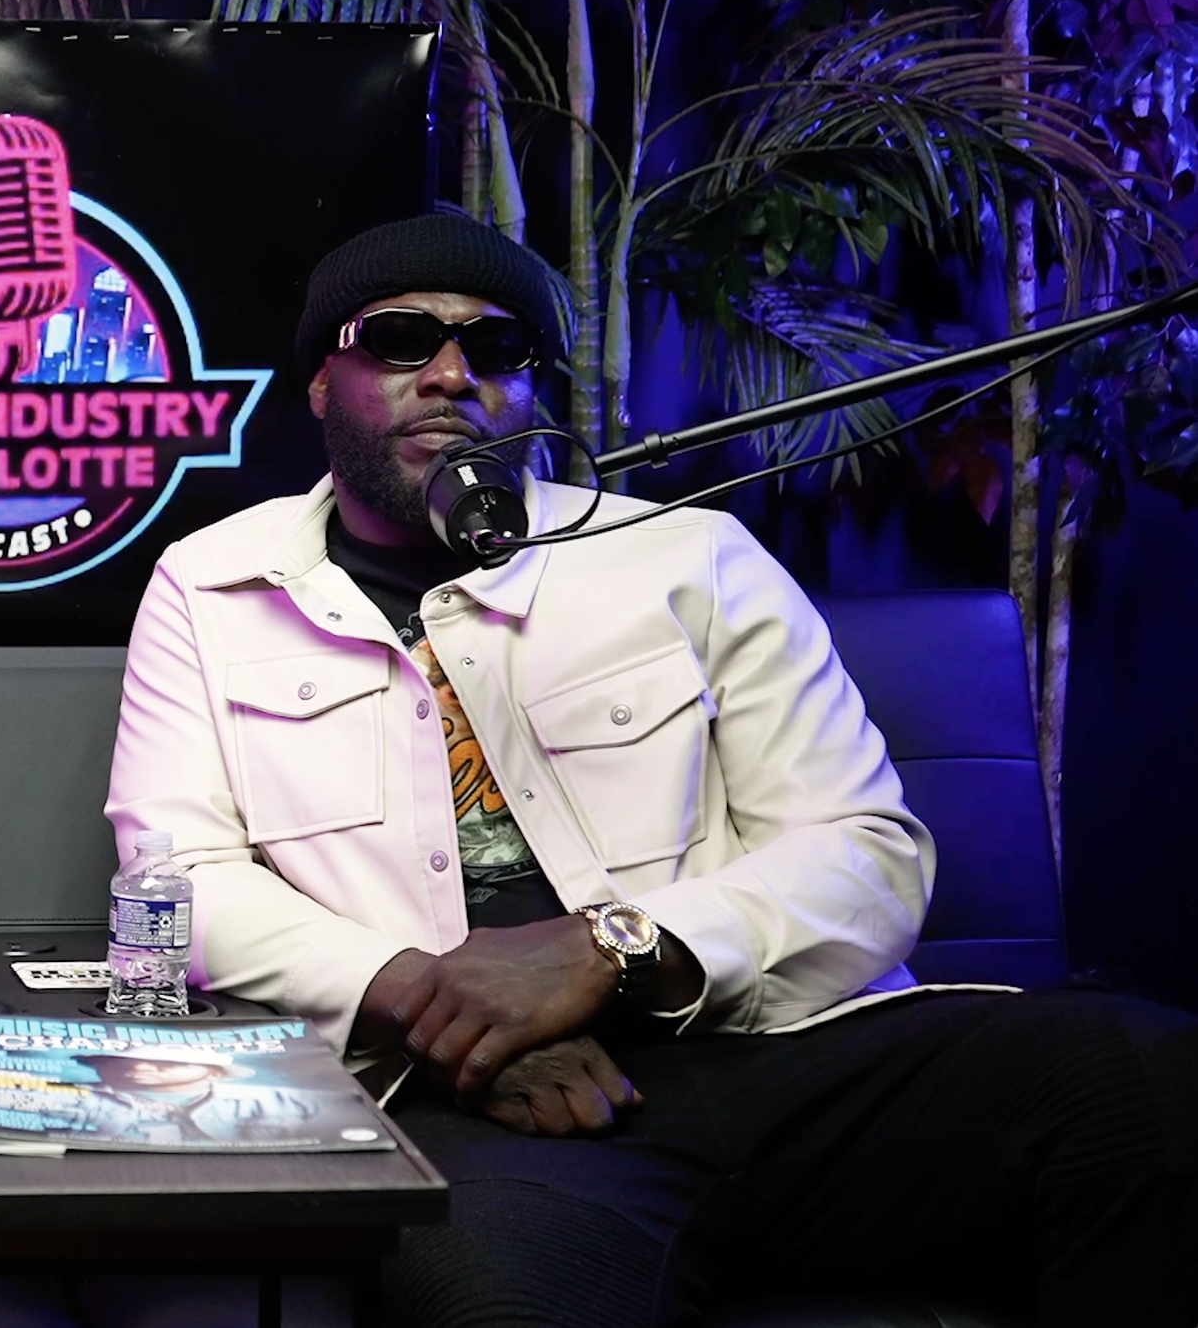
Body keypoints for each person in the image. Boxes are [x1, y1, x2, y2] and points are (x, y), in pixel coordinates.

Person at [104, 208, 1198, 1324]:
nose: (449, 374)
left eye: (495, 347)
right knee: (498, 1306)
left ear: (530, 391)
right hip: (487, 1105)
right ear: (320, 382)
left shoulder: (687, 556)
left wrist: (607, 951)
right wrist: (445, 1012)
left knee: (1146, 1076)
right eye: (398, 338)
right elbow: (177, 884)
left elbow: (867, 855)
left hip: (784, 1052)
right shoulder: (213, 585)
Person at [62, 1047, 322, 1145]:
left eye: (167, 1063)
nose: (140, 1067)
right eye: (116, 1061)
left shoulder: (286, 1101)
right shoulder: (65, 1096)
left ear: (215, 1072)